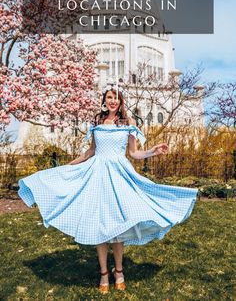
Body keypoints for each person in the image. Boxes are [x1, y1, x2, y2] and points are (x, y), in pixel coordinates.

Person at [18, 84, 198, 295]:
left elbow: (134, 153)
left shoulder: (128, 123)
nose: (113, 100)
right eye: (109, 97)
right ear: (104, 100)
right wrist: (67, 168)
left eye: (116, 97)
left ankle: (119, 271)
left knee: (118, 225)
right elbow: (90, 152)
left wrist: (153, 151)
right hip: (97, 176)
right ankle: (104, 273)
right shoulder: (97, 122)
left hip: (119, 175)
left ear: (121, 101)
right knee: (99, 223)